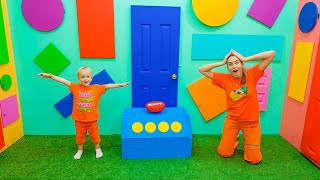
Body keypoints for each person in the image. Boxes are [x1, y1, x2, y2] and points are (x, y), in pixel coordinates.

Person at [198, 50, 275, 164]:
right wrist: (221, 62)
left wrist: (245, 58)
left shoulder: (252, 73)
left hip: (251, 123)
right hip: (232, 121)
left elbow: (271, 54)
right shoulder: (224, 79)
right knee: (224, 153)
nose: (234, 66)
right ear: (228, 68)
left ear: (241, 64)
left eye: (237, 62)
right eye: (230, 64)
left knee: (254, 159)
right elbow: (202, 69)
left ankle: (249, 145)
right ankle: (233, 141)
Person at [38, 67, 130, 160]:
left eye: (87, 76)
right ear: (79, 79)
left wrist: (121, 84)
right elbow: (63, 81)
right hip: (79, 120)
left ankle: (98, 149)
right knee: (79, 137)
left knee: (95, 136)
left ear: (91, 78)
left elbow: (107, 86)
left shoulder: (97, 88)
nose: (85, 79)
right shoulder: (75, 87)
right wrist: (50, 76)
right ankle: (80, 150)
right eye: (82, 77)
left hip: (92, 120)